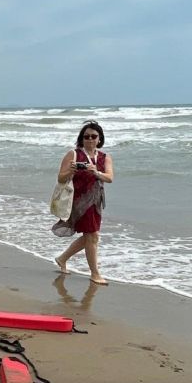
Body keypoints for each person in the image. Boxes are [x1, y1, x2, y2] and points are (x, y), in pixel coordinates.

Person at [53, 121, 114, 285]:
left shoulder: (104, 157)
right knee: (92, 235)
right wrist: (71, 171)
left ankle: (62, 258)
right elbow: (60, 178)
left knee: (91, 235)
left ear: (99, 138)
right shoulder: (73, 154)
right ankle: (95, 274)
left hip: (95, 201)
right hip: (78, 200)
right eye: (86, 136)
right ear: (82, 138)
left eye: (94, 136)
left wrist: (96, 172)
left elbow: (110, 178)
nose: (90, 139)